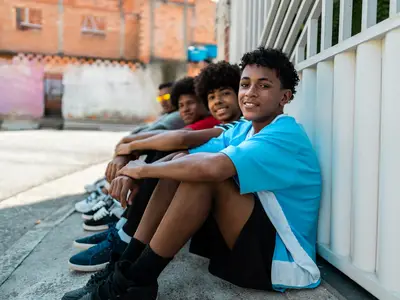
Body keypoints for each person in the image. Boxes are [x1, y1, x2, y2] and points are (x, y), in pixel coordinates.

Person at [66, 48, 322, 300]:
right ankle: (126, 266)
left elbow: (212, 168)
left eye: (263, 86)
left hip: (284, 261)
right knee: (180, 162)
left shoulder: (284, 133)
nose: (250, 93)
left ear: (284, 97)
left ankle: (137, 281)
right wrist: (132, 171)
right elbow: (185, 154)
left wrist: (141, 169)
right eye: (245, 84)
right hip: (251, 242)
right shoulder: (245, 128)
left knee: (201, 179)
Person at [62, 62, 244, 300]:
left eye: (225, 93)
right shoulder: (232, 129)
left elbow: (179, 137)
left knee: (173, 165)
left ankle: (128, 260)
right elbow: (175, 147)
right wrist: (132, 164)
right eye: (212, 96)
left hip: (231, 225)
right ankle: (126, 261)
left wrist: (131, 155)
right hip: (215, 219)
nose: (218, 101)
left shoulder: (233, 128)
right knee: (170, 161)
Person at [76, 82, 186, 214]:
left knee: (144, 156)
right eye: (160, 98)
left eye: (167, 96)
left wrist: (128, 145)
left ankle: (109, 193)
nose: (163, 102)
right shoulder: (166, 115)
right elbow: (141, 131)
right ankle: (108, 188)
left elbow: (149, 134)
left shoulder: (177, 116)